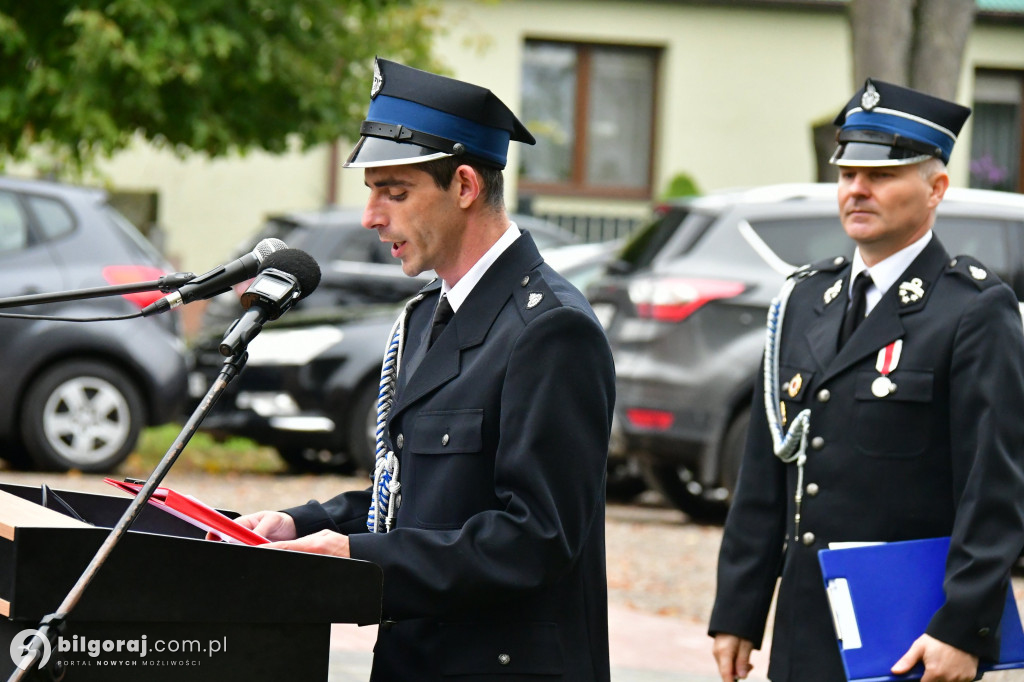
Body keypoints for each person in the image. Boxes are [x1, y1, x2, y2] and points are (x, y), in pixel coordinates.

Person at [231, 58, 615, 681]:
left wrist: (359, 557)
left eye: (395, 191)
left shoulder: (550, 330)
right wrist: (303, 525)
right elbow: (413, 500)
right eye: (371, 191)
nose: (371, 216)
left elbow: (538, 539)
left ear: (464, 187)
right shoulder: (424, 318)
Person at [709, 78, 1024, 682]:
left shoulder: (972, 309)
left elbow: (994, 486)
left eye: (881, 175)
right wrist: (739, 610)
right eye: (848, 174)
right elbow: (765, 473)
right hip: (806, 632)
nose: (857, 189)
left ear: (935, 189)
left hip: (909, 637)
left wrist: (963, 627)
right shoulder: (804, 299)